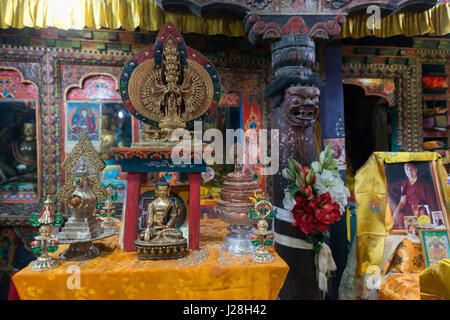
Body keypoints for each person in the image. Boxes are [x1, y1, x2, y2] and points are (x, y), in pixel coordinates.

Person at [390, 163, 437, 229]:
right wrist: (396, 212)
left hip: (422, 211)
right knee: (400, 218)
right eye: (407, 169)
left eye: (412, 169)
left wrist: (428, 213)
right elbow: (402, 201)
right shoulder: (404, 183)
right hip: (409, 212)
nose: (409, 172)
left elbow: (430, 201)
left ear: (416, 170)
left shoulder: (425, 184)